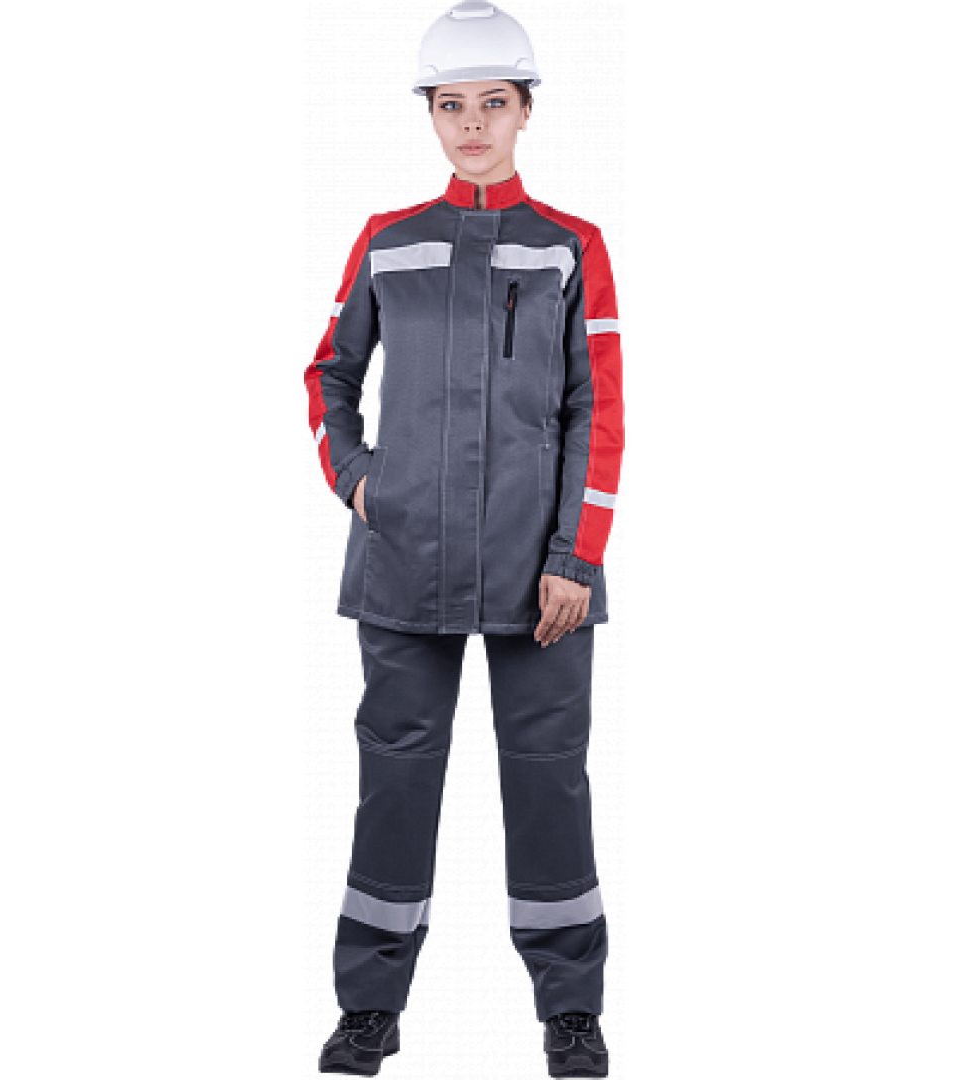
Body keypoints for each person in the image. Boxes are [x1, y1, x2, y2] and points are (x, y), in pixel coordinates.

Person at [304, 3, 624, 1075]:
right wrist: (357, 480)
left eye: (493, 102)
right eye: (452, 105)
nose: (472, 124)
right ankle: (367, 1006)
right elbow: (328, 375)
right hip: (402, 560)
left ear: (527, 111)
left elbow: (599, 410)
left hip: (542, 572)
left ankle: (571, 1011)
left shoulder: (574, 245)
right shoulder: (384, 239)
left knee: (551, 782)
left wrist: (577, 557)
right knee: (393, 781)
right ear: (430, 115)